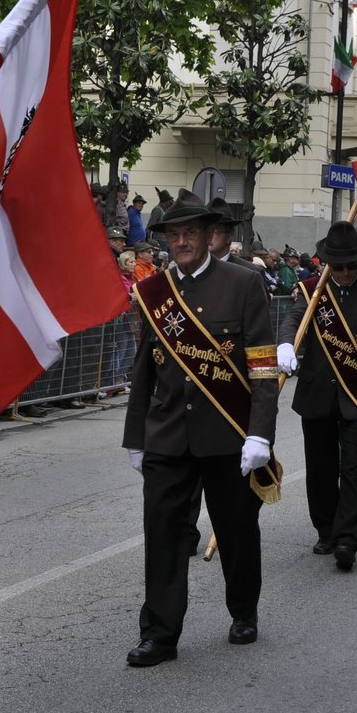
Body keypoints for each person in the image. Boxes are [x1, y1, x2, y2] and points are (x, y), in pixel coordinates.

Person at [122, 189, 279, 665]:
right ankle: (161, 634)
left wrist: (260, 433)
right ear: (167, 239)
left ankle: (243, 610)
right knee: (164, 534)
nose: (183, 241)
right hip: (168, 433)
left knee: (236, 530)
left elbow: (263, 367)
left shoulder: (244, 283)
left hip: (227, 434)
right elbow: (144, 368)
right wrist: (136, 437)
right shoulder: (155, 293)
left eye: (191, 232)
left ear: (210, 235)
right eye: (175, 233)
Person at [276, 222, 357, 571]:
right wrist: (286, 343)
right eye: (339, 266)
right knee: (320, 469)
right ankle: (326, 529)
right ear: (326, 264)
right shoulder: (311, 291)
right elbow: (292, 320)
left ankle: (348, 538)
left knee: (351, 467)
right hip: (316, 395)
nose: (346, 272)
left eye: (352, 265)